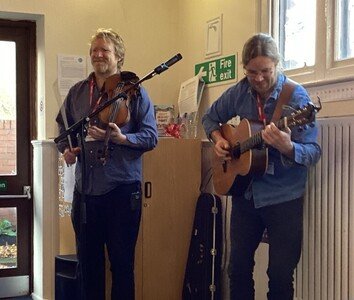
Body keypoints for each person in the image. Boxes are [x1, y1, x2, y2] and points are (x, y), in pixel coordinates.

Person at [202, 33, 321, 300]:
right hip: (246, 194)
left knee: (279, 276)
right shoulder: (239, 91)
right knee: (238, 269)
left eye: (265, 71)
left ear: (277, 65)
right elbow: (210, 118)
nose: (258, 79)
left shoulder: (296, 98)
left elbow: (313, 152)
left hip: (283, 196)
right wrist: (219, 139)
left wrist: (287, 147)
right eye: (252, 72)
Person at [56, 28, 158, 300]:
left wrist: (121, 137)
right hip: (86, 192)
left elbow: (151, 137)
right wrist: (67, 149)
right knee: (88, 267)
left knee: (123, 266)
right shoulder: (78, 92)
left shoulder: (136, 93)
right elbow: (62, 128)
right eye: (94, 50)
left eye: (105, 50)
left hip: (122, 191)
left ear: (118, 57)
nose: (98, 54)